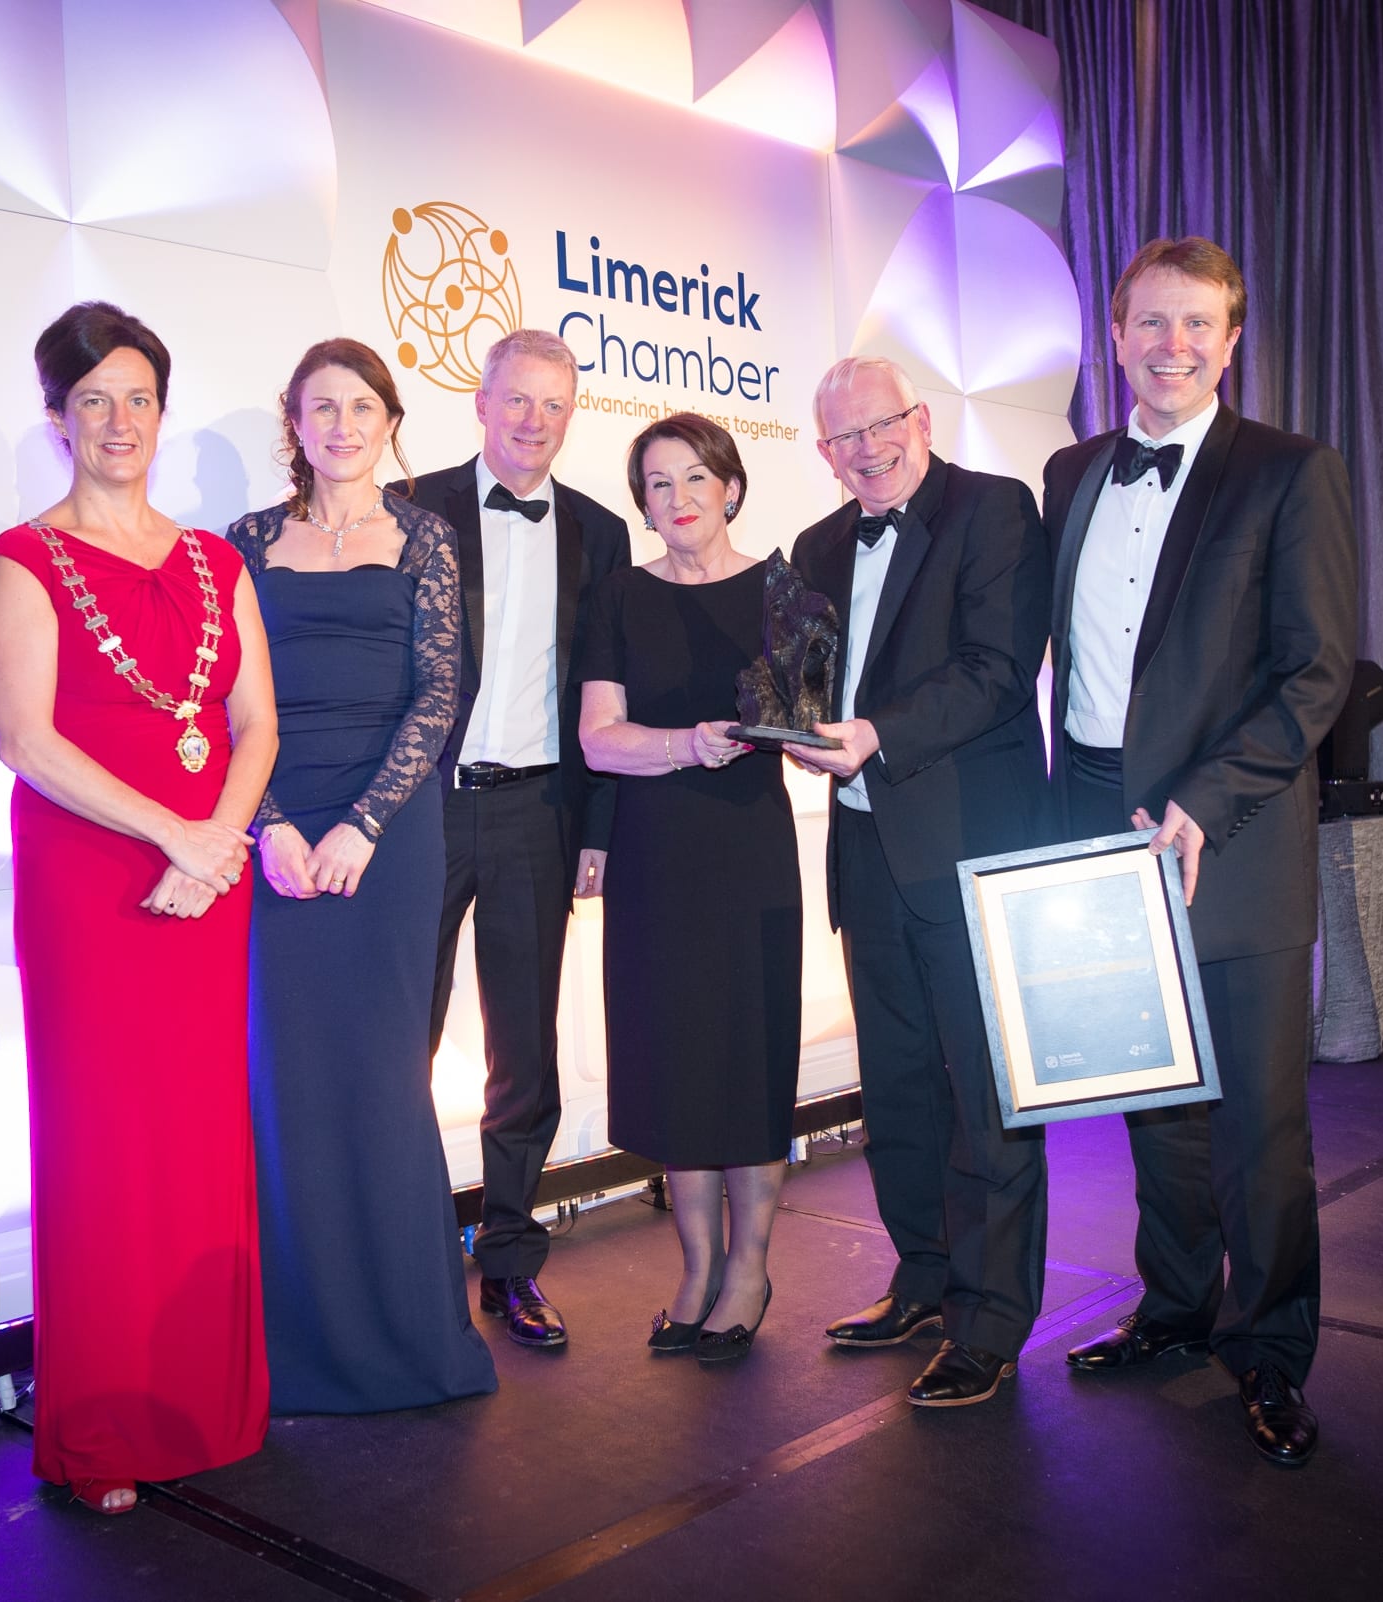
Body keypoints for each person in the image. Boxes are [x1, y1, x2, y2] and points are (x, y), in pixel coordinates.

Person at [1044, 237, 1357, 1469]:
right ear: (1115, 338)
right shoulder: (1073, 470)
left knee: (1258, 1125)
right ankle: (1173, 1312)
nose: (1172, 345)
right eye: (1150, 323)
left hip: (1230, 836)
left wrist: (1204, 800)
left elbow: (1317, 668)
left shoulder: (1291, 471)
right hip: (1095, 821)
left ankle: (1271, 1353)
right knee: (1151, 1101)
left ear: (1233, 341)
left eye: (1197, 326)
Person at [0, 301, 275, 1514]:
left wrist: (216, 843)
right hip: (93, 888)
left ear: (163, 409)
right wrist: (178, 833)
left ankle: (209, 1403)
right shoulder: (23, 558)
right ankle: (103, 1429)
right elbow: (25, 739)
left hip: (204, 885)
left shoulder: (215, 561)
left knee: (201, 1134)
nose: (117, 421)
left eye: (136, 396)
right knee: (104, 1146)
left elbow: (256, 725)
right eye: (90, 400)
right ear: (56, 420)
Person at [226, 338, 497, 1413]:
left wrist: (366, 826)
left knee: (388, 1076)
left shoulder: (426, 538)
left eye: (360, 407)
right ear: (291, 422)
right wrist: (276, 826)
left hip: (389, 838)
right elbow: (230, 704)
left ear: (391, 419)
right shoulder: (243, 542)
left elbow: (438, 698)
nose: (340, 426)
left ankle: (409, 1341)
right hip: (277, 836)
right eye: (319, 408)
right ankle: (298, 1353)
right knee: (285, 1081)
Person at [787, 355, 1052, 1408]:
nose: (866, 449)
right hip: (864, 851)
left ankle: (990, 1321)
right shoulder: (813, 545)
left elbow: (997, 668)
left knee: (987, 1096)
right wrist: (786, 725)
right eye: (843, 438)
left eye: (881, 426)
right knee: (896, 1086)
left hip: (970, 848)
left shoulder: (994, 512)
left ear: (922, 418)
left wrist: (874, 735)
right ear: (823, 451)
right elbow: (805, 683)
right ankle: (925, 1277)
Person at [403, 330, 631, 1348]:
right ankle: (399, 1254)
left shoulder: (601, 531)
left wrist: (601, 827)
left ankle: (507, 1259)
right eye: (518, 401)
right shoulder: (414, 511)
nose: (534, 420)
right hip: (426, 810)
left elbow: (616, 688)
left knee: (523, 1050)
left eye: (554, 404)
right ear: (482, 404)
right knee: (400, 1033)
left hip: (542, 812)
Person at [574, 413, 801, 1362]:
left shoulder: (785, 592)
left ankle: (750, 1269)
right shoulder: (618, 595)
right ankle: (697, 1268)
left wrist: (804, 727)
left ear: (733, 488)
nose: (678, 499)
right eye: (658, 485)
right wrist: (684, 747)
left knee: (746, 1065)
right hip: (656, 855)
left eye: (696, 478)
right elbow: (596, 737)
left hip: (749, 851)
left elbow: (810, 725)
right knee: (677, 1064)